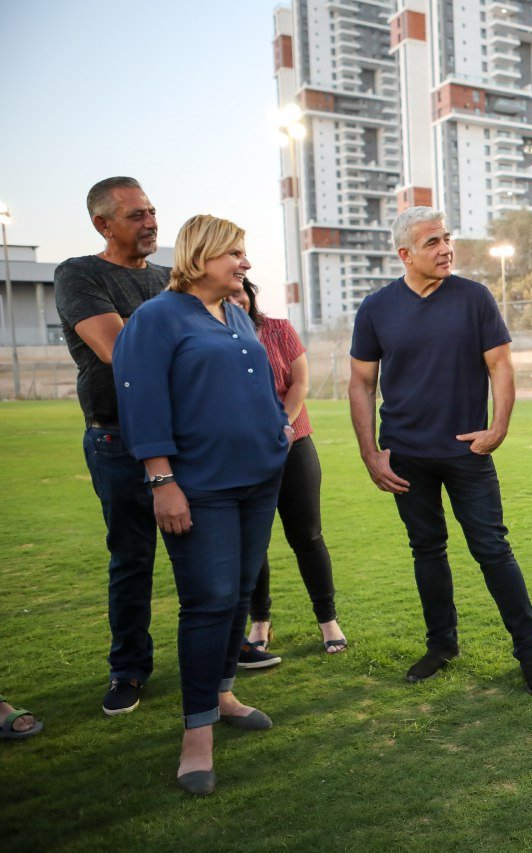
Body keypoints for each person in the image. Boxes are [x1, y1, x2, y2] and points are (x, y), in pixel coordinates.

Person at [114, 214, 291, 796]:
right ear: (202, 255)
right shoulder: (156, 318)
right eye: (234, 253)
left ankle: (223, 694)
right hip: (200, 487)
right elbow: (141, 402)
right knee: (208, 602)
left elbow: (261, 384)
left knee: (237, 595)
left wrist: (276, 430)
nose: (245, 263)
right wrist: (161, 480)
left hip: (258, 480)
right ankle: (197, 734)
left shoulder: (235, 313)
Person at [348, 207, 532, 696]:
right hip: (405, 456)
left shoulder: (474, 297)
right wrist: (370, 454)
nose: (445, 249)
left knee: (492, 548)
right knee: (426, 549)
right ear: (405, 254)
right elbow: (361, 383)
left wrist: (498, 427)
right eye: (432, 242)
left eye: (446, 238)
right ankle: (441, 644)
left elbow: (501, 366)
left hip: (467, 452)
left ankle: (530, 650)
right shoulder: (376, 308)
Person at [54, 177, 168, 716]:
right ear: (102, 224)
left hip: (184, 436)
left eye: (152, 211)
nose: (150, 222)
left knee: (207, 550)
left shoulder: (171, 279)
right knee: (132, 557)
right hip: (117, 437)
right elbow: (119, 350)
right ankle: (128, 668)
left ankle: (222, 646)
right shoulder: (80, 273)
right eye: (135, 215)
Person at [228, 280, 347, 660]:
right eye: (226, 295)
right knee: (252, 542)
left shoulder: (278, 329)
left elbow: (299, 383)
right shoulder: (210, 339)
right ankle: (260, 621)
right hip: (243, 453)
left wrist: (282, 427)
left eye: (239, 291)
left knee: (308, 536)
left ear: (250, 294)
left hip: (293, 445)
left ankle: (328, 620)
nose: (235, 300)